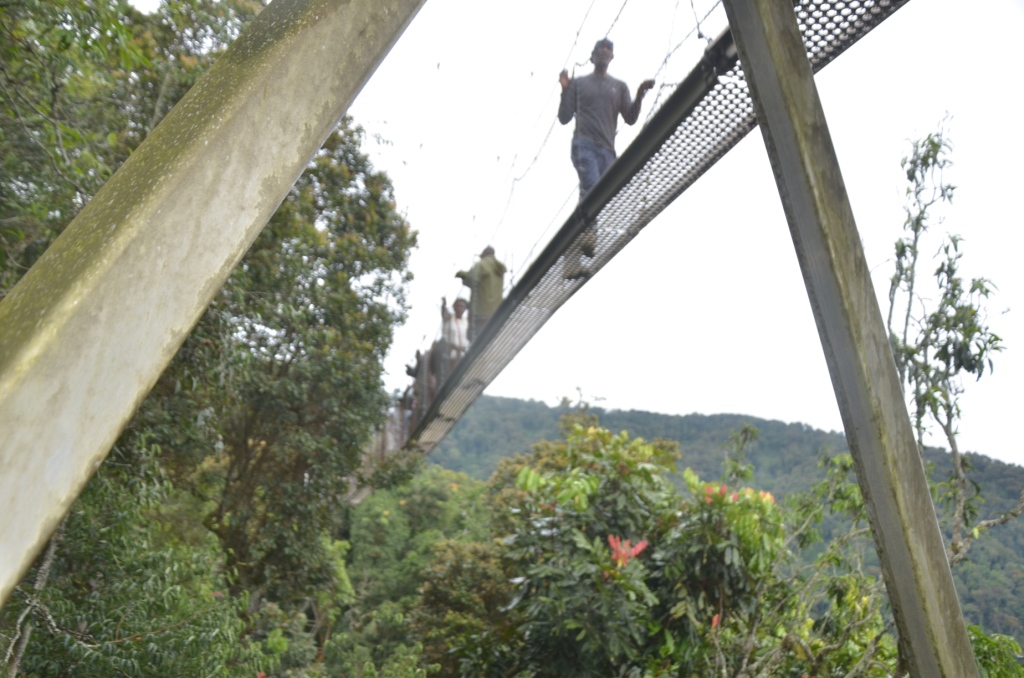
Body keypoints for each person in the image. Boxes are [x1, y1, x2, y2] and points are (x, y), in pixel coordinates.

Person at [558, 38, 655, 198]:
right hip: (584, 144)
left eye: (608, 49)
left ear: (612, 57)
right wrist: (565, 90)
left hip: (607, 151)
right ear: (592, 56)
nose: (604, 51)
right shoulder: (579, 83)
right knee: (594, 188)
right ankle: (587, 217)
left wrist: (639, 95)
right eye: (600, 48)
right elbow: (564, 117)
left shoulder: (619, 87)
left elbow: (630, 119)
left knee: (608, 196)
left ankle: (585, 219)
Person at [456, 246, 506, 341]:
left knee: (473, 339)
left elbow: (471, 279)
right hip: (495, 313)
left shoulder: (481, 264)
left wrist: (461, 274)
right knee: (489, 341)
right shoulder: (499, 270)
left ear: (484, 254)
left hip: (479, 312)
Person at [440, 296, 470, 374]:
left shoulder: (466, 322)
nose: (460, 308)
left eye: (463, 306)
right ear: (454, 307)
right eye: (458, 306)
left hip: (463, 353)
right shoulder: (450, 318)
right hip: (451, 353)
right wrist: (443, 305)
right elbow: (444, 313)